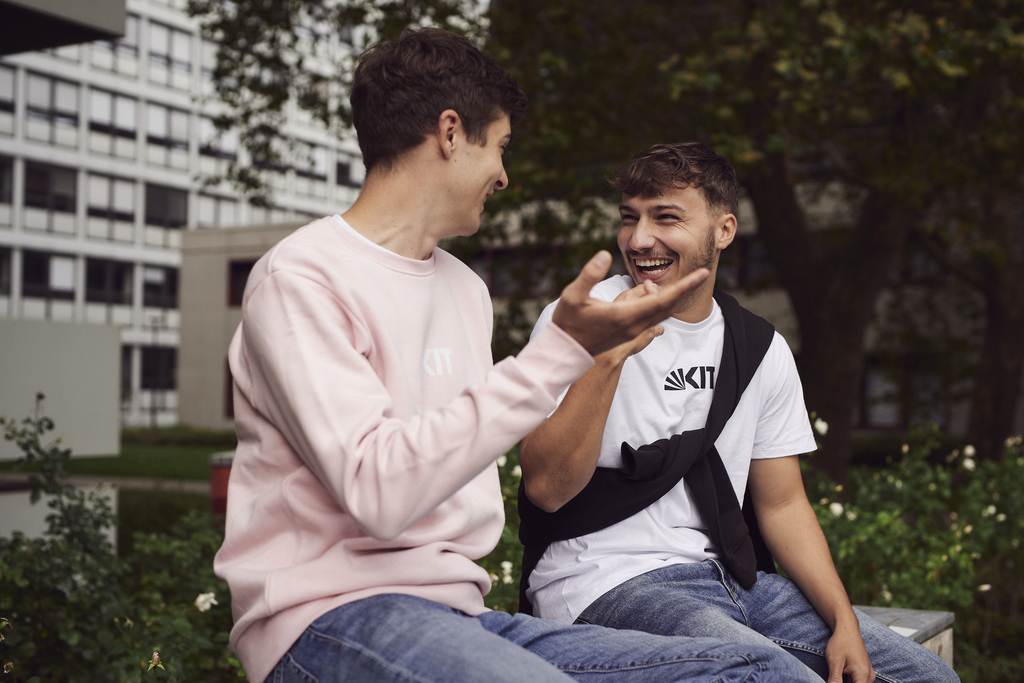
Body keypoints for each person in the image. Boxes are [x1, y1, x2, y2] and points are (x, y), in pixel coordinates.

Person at [214, 29, 821, 683]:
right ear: (450, 133)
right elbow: (379, 490)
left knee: (759, 670)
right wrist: (568, 351)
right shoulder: (302, 276)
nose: (503, 174)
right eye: (498, 146)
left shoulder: (463, 289)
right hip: (329, 613)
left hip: (459, 612)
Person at [518, 142, 960, 683]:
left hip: (732, 578)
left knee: (928, 677)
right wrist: (607, 356)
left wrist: (844, 620)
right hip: (604, 580)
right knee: (774, 677)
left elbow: (784, 504)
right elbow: (546, 488)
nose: (638, 240)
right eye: (629, 218)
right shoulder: (582, 318)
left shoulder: (757, 346)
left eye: (666, 218)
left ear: (724, 231)